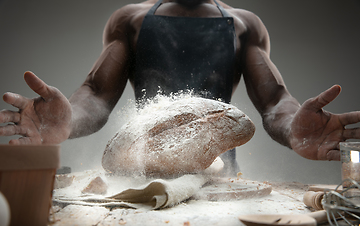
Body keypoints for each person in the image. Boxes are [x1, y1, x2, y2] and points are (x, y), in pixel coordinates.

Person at [1, 0, 359, 175]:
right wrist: (67, 122)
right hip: (140, 173)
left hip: (218, 177)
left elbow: (275, 101)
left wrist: (295, 128)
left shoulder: (243, 24)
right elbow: (95, 94)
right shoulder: (131, 20)